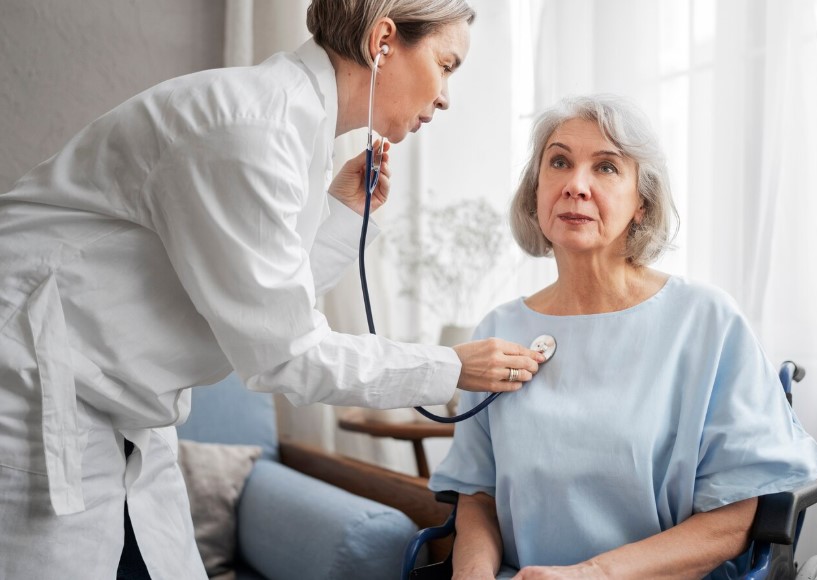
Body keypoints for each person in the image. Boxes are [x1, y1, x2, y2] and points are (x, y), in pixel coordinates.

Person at [0, 1, 547, 578]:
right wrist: (450, 367)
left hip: (116, 409)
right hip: (32, 385)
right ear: (383, 40)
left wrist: (340, 213)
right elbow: (284, 354)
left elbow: (257, 305)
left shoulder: (290, 127)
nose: (445, 96)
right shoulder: (250, 128)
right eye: (447, 64)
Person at [429, 95, 817, 580]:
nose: (576, 185)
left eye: (606, 168)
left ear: (642, 201)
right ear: (536, 190)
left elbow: (734, 519)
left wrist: (592, 574)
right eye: (559, 162)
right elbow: (479, 495)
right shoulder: (499, 328)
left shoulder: (706, 322)